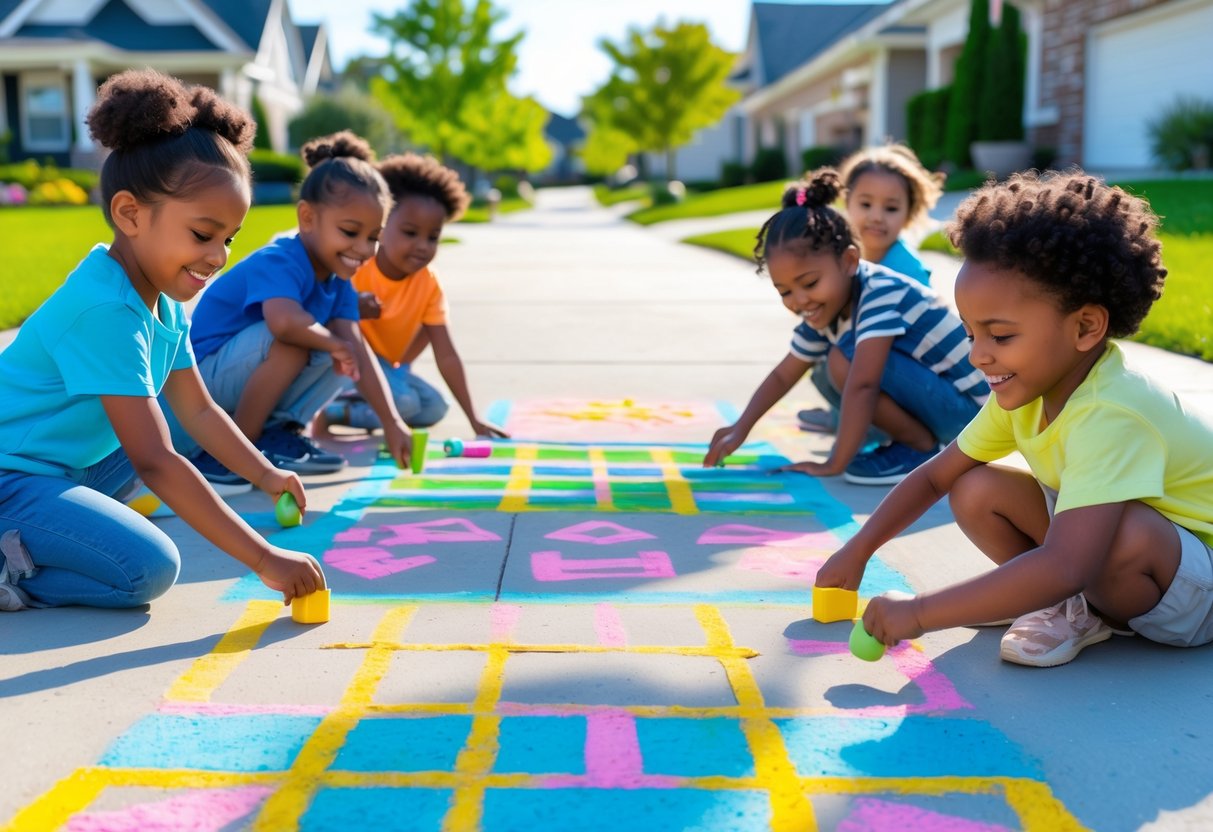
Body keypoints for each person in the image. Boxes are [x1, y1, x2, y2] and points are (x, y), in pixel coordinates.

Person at [818, 170, 1213, 668]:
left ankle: (1077, 605)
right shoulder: (1030, 387)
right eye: (970, 335)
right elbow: (937, 477)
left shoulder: (1110, 412)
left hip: (1199, 591)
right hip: (1134, 562)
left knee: (1120, 532)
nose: (979, 356)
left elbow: (1069, 561)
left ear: (1086, 326)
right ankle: (1066, 605)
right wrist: (859, 549)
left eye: (1000, 337)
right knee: (974, 486)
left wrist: (918, 614)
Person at [0, 69, 324, 611]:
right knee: (145, 568)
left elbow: (198, 412)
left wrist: (266, 475)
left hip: (58, 467)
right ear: (130, 213)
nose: (219, 256)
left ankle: (40, 538)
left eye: (228, 238)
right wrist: (264, 558)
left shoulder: (163, 302)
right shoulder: (105, 308)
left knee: (163, 429)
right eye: (202, 234)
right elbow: (154, 461)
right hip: (11, 478)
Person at [702, 168, 988, 485]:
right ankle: (913, 443)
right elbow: (785, 373)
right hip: (952, 408)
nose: (799, 300)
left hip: (973, 416)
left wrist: (834, 463)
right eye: (785, 292)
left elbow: (863, 385)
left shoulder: (879, 292)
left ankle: (918, 448)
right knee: (827, 365)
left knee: (842, 361)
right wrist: (739, 427)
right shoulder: (830, 304)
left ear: (850, 261)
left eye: (809, 283)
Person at [178, 131, 413, 489]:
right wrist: (335, 345)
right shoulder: (282, 259)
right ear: (307, 218)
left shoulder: (338, 281)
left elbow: (357, 353)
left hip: (239, 379)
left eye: (373, 237)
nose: (364, 248)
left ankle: (275, 433)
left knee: (349, 353)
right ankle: (234, 450)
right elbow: (284, 323)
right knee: (299, 339)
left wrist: (392, 421)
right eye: (350, 231)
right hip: (198, 381)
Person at [319, 152, 507, 440]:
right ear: (380, 227)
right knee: (406, 403)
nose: (422, 246)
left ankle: (350, 411)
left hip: (388, 368)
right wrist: (353, 306)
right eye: (410, 233)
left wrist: (474, 419)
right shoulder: (358, 266)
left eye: (433, 237)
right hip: (344, 365)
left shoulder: (429, 283)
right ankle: (329, 410)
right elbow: (318, 312)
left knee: (434, 407)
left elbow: (446, 354)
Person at [799, 144, 945, 433]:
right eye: (866, 205)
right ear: (847, 204)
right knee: (822, 355)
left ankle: (890, 431)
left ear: (907, 214)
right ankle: (849, 418)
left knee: (841, 357)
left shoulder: (905, 269)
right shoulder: (850, 259)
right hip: (882, 368)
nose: (877, 216)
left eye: (890, 208)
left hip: (918, 379)